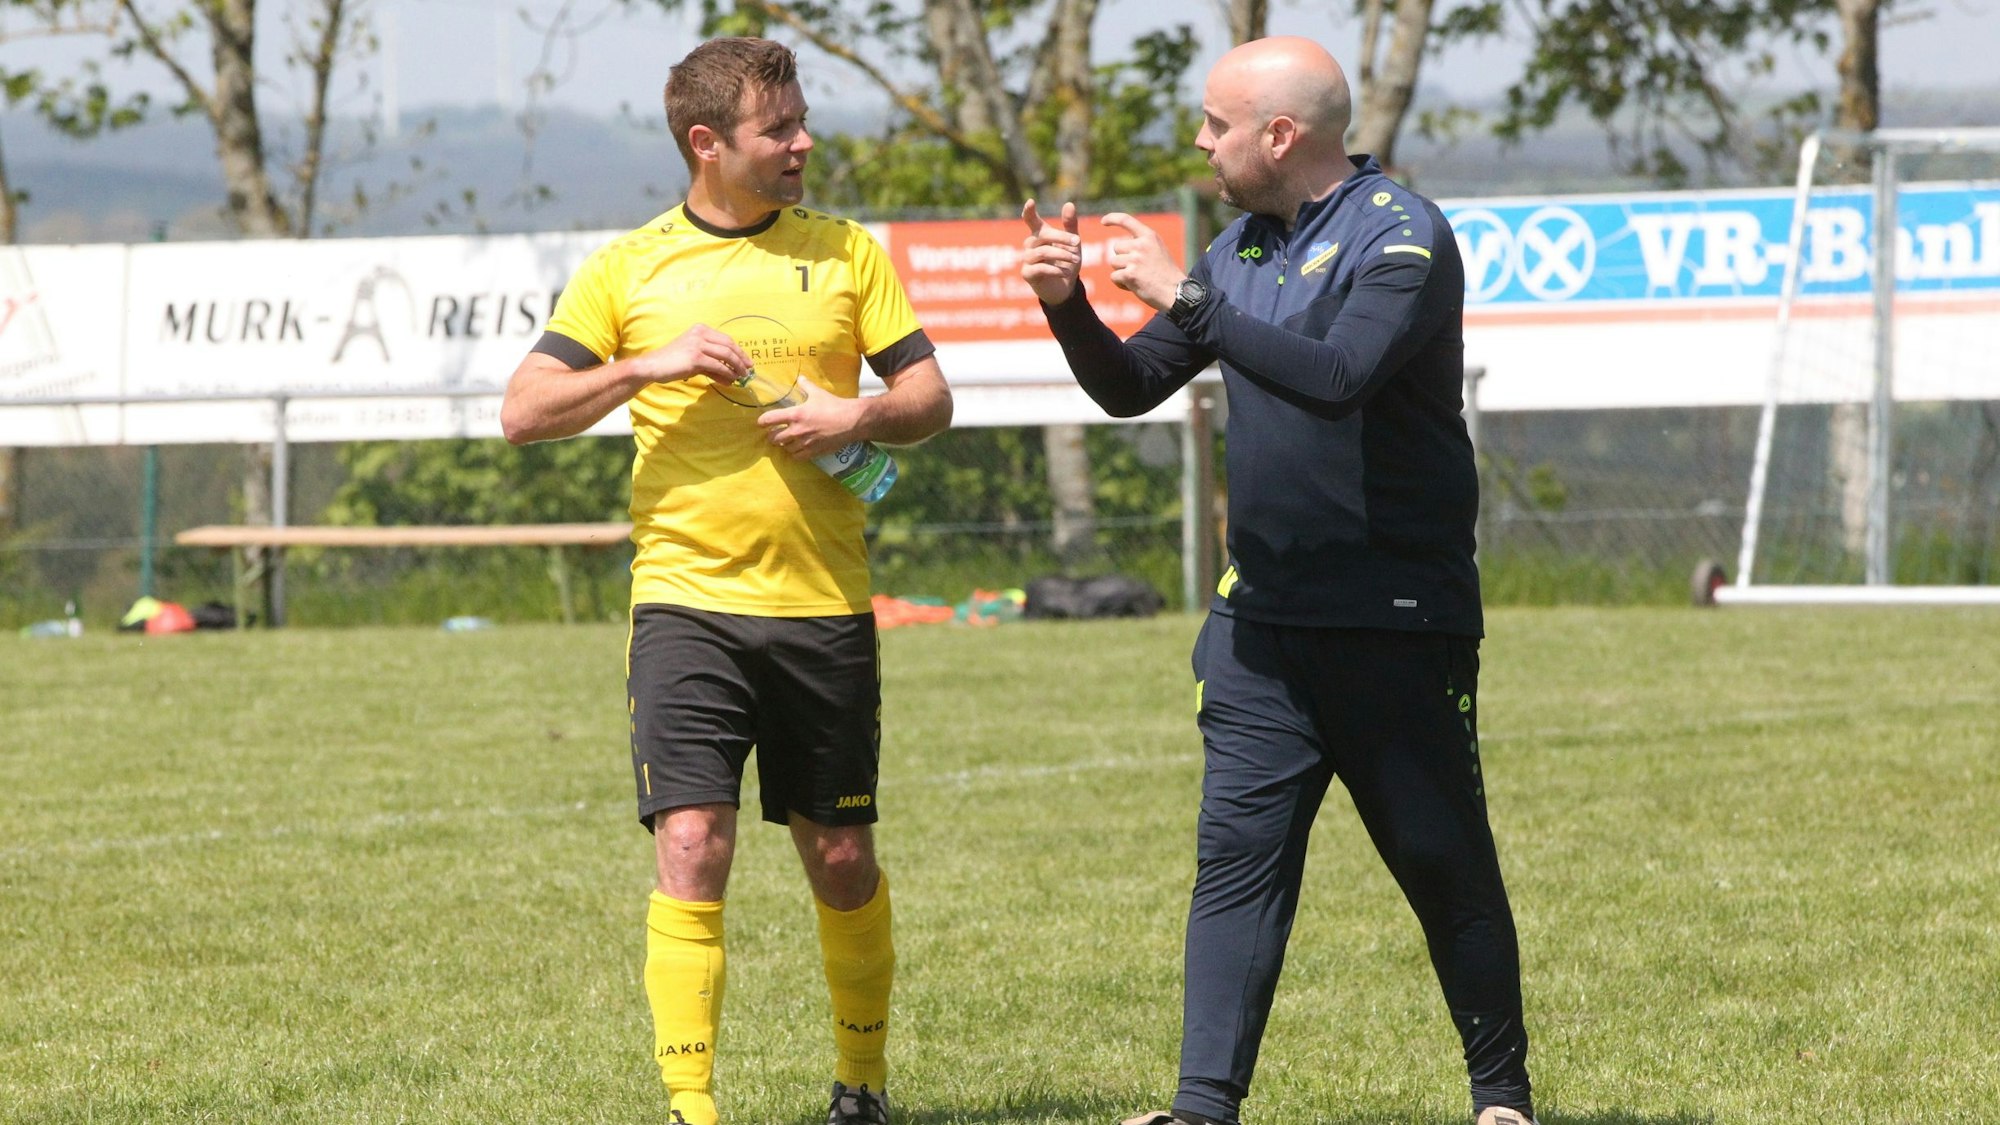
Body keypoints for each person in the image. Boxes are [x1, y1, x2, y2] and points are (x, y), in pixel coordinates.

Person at [1019, 35, 1536, 1125]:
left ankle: (1499, 1099)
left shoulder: (1400, 234)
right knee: (1233, 868)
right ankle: (1201, 1109)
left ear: (1279, 134)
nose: (1201, 142)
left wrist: (1192, 303)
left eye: (1215, 124)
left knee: (1441, 863)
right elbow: (1130, 388)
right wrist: (1067, 305)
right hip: (1260, 628)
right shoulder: (1240, 247)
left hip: (1395, 618)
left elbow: (1339, 377)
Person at [500, 36, 951, 1125]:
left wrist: (860, 413)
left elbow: (930, 400)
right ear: (707, 144)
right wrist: (639, 366)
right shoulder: (629, 268)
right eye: (777, 130)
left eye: (799, 124)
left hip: (823, 605)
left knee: (840, 857)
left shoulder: (846, 253)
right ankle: (690, 1106)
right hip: (685, 606)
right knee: (692, 842)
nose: (802, 144)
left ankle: (863, 1086)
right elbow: (522, 414)